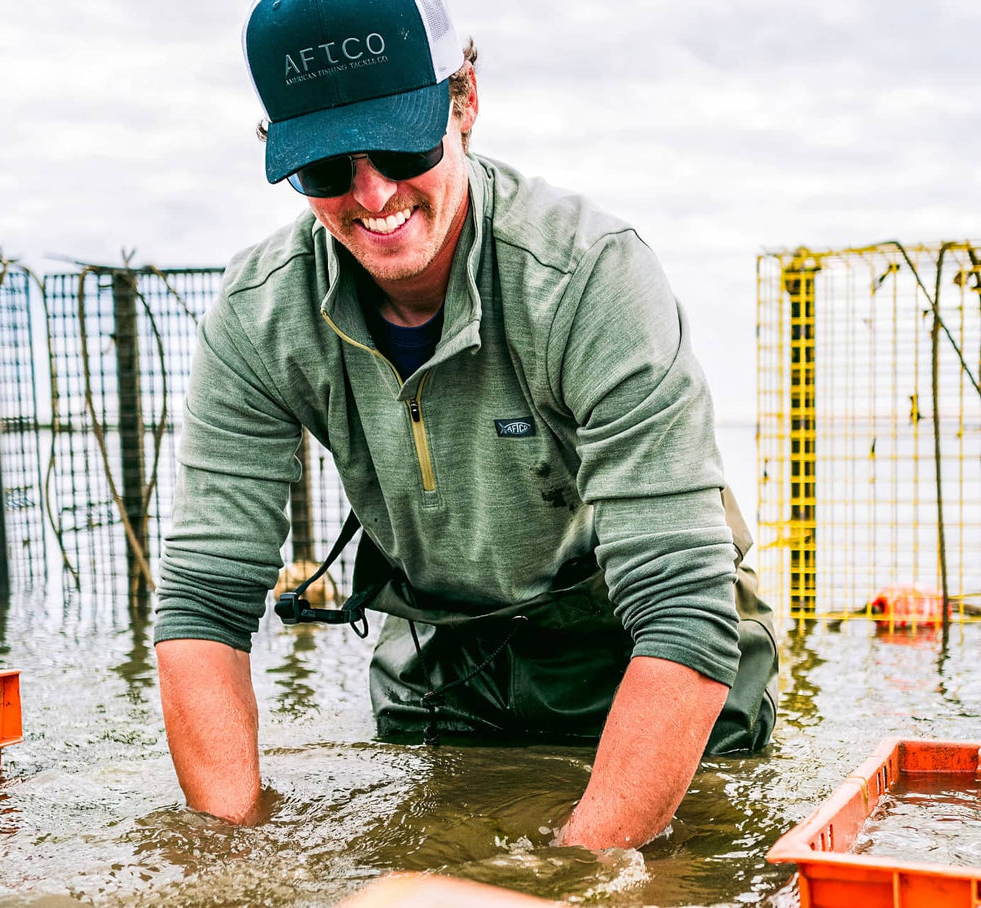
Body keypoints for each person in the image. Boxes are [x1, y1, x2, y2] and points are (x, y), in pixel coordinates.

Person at [155, 0, 778, 851]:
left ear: (464, 100)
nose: (372, 196)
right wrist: (230, 856)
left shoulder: (591, 276)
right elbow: (203, 601)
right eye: (327, 167)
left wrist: (567, 881)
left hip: (640, 653)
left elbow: (680, 603)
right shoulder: (260, 314)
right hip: (444, 669)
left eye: (404, 145)